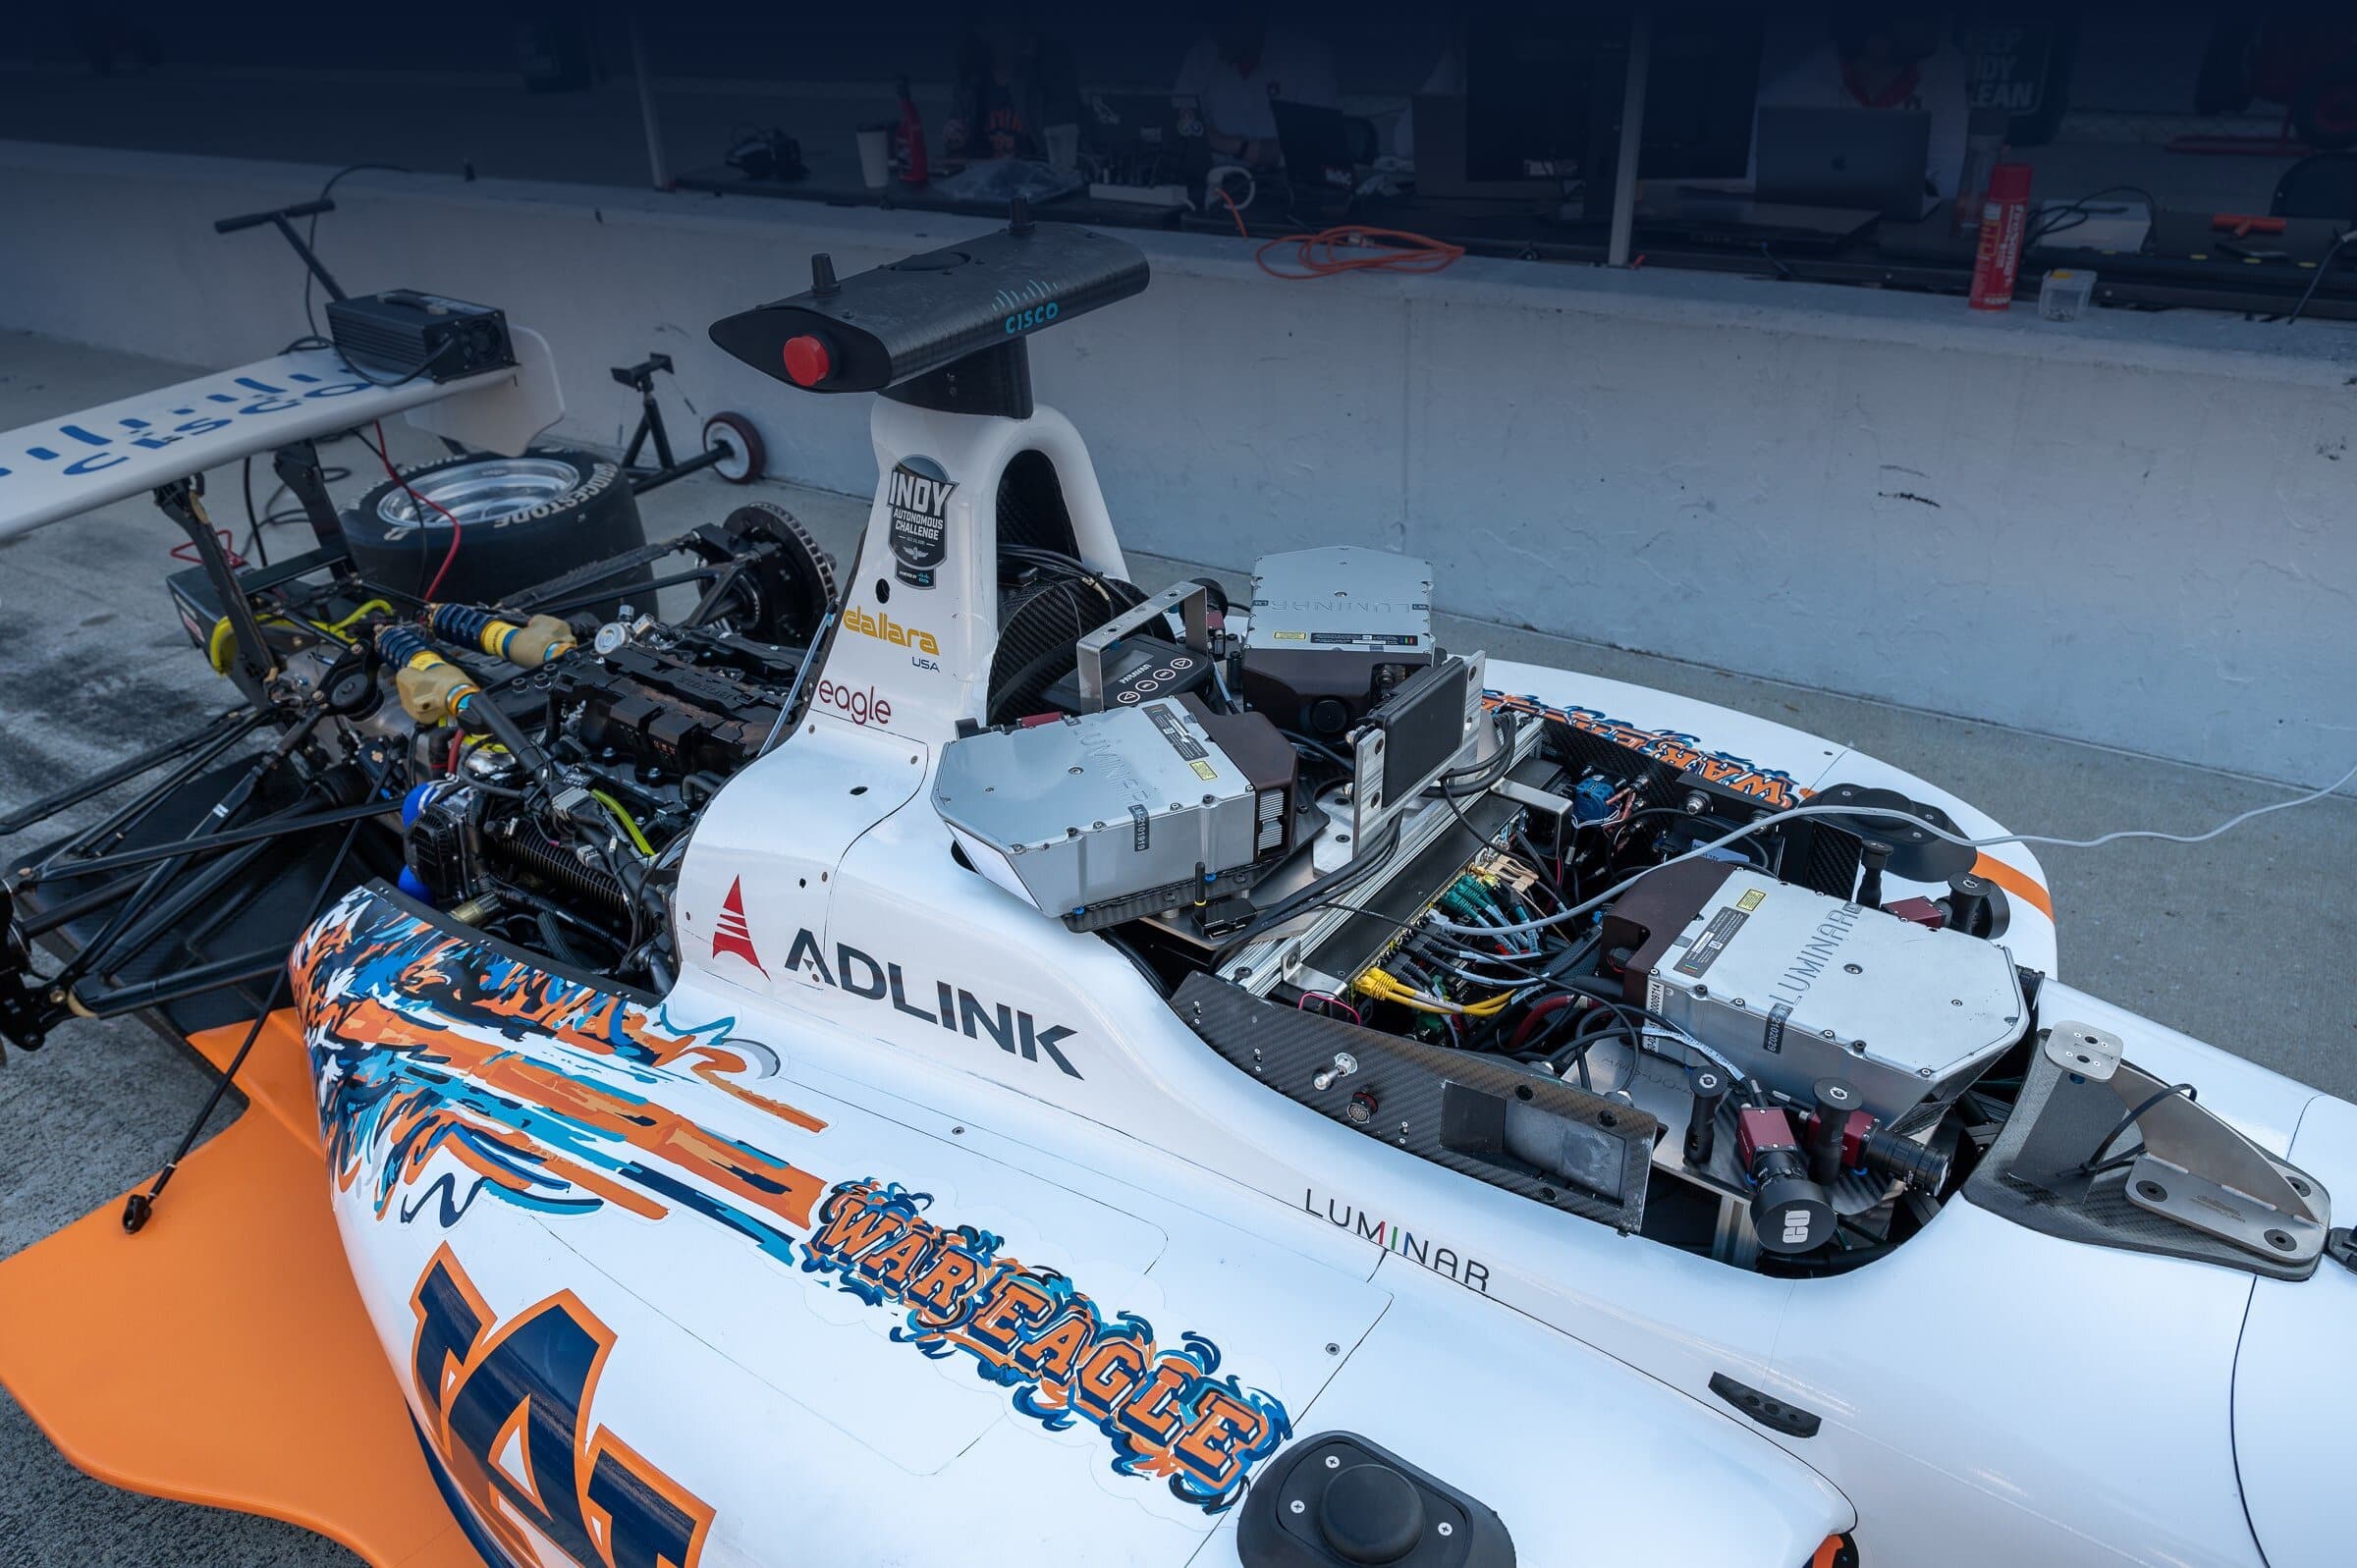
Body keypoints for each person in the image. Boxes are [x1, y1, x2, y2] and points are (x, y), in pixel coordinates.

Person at [1752, 5, 1969, 210]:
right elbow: (1754, 179)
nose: (1932, 20)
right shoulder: (1800, 85)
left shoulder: (1946, 70)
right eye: (1913, 13)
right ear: (1872, 35)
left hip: (1905, 226)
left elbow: (1952, 183)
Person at [1173, 15, 1340, 166]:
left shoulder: (1309, 55)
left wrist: (1233, 146)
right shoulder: (1204, 51)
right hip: (1214, 179)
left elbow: (1316, 148)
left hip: (1287, 183)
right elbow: (1178, 124)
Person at [943, 25, 1082, 162]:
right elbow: (957, 140)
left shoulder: (1046, 76)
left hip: (1033, 171)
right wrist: (954, 137)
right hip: (981, 172)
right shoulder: (970, 81)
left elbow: (1059, 140)